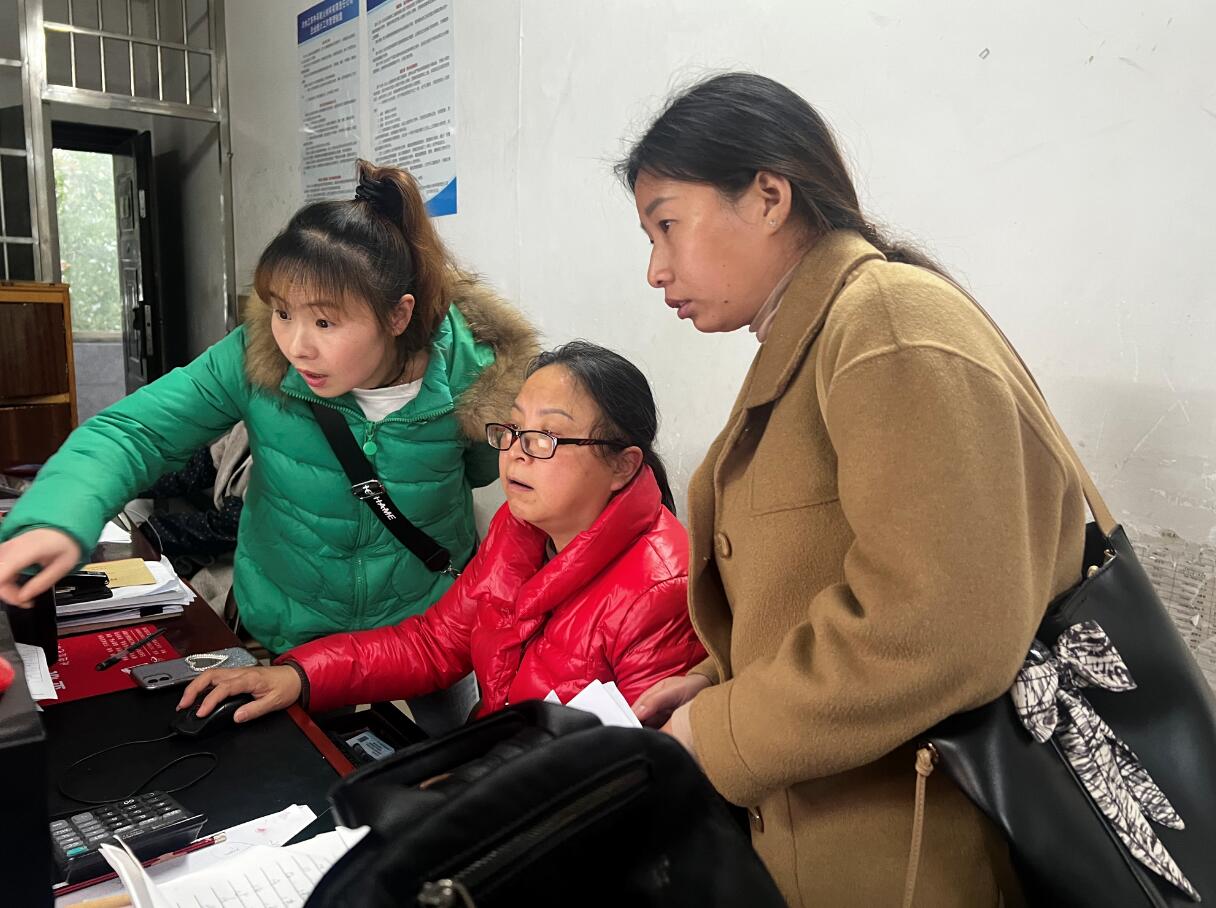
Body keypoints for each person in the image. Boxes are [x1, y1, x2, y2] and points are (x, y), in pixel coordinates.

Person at [623, 73, 1087, 907]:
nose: (656, 269)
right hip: (844, 838)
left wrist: (721, 730)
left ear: (768, 197)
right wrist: (722, 679)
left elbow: (936, 622)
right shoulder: (822, 334)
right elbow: (815, 578)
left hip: (920, 857)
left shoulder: (887, 324)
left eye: (667, 225)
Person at [0, 161, 538, 664]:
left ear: (398, 316)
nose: (297, 347)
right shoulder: (256, 357)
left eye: (324, 323)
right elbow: (135, 431)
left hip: (426, 626)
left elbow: (479, 471)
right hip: (293, 624)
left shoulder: (477, 377)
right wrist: (56, 515)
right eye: (282, 312)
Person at [177, 342, 705, 727]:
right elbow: (435, 643)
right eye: (514, 428)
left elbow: (641, 776)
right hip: (500, 770)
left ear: (622, 465)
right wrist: (298, 676)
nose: (516, 453)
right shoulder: (520, 529)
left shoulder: (660, 588)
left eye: (546, 435)